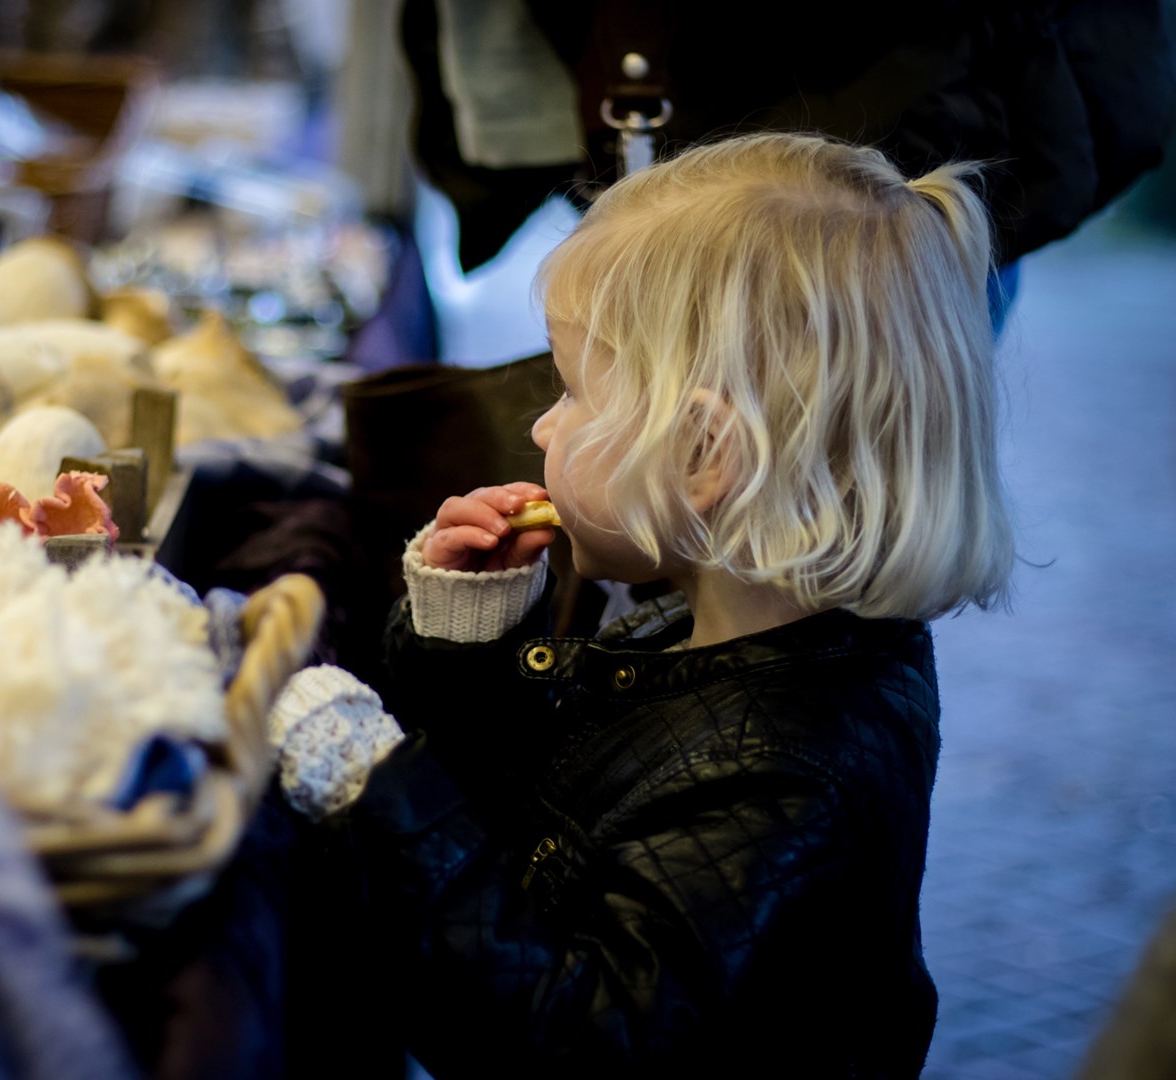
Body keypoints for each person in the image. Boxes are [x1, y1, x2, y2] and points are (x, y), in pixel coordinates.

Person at [286, 132, 1017, 1076]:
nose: (542, 424)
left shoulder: (786, 774)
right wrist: (471, 636)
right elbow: (523, 812)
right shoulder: (704, 623)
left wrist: (374, 791)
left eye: (571, 390)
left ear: (705, 455)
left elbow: (578, 1041)